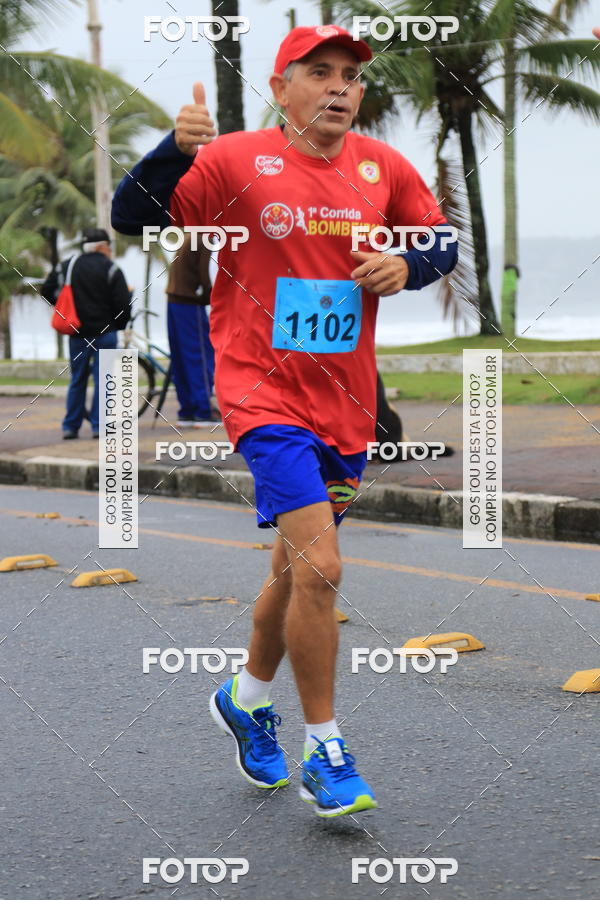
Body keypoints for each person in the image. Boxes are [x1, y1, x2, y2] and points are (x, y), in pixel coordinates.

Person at [112, 24, 458, 817]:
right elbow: (133, 213)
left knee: (293, 569)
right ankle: (326, 750)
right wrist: (172, 147)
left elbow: (440, 240)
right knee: (324, 565)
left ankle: (245, 697)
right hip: (262, 397)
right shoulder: (234, 160)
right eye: (321, 73)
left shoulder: (383, 167)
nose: (341, 88)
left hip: (347, 403)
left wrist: (410, 264)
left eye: (352, 77)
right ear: (282, 85)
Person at [41, 227, 132, 439]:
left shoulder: (68, 266)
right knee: (105, 380)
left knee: (78, 379)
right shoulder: (111, 269)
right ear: (102, 247)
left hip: (77, 333)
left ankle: (70, 427)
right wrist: (118, 325)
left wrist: (63, 308)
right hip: (105, 333)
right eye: (109, 247)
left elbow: (47, 290)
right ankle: (99, 427)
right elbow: (123, 305)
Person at [165, 234, 219, 426]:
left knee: (180, 358)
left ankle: (187, 409)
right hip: (189, 302)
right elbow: (206, 274)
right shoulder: (205, 236)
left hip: (174, 301)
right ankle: (203, 410)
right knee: (199, 356)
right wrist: (212, 297)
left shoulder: (192, 234)